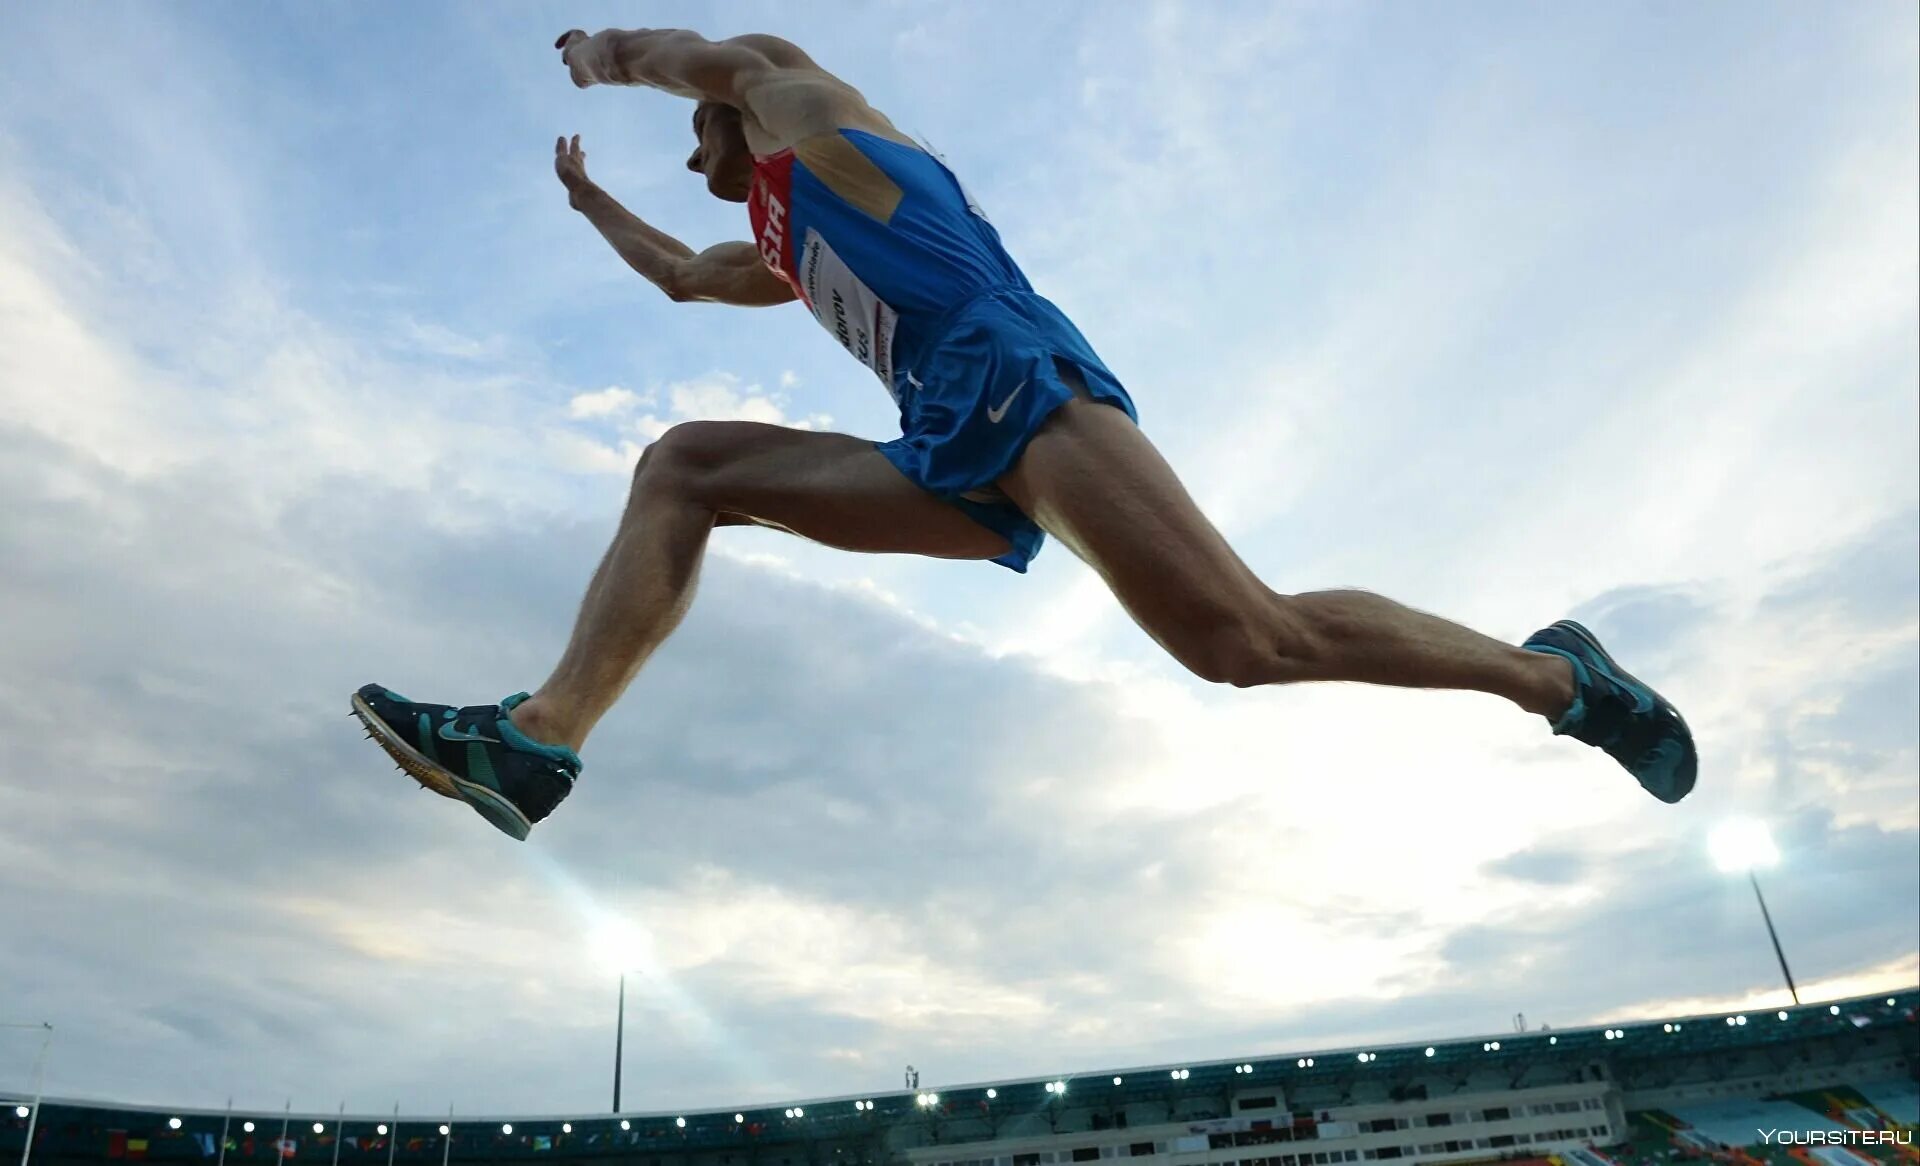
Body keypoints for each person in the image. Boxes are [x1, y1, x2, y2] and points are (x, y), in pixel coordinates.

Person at [350, 26, 1696, 841]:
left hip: (1011, 363)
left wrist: (599, 53)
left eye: (696, 143)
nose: (692, 163)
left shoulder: (802, 118)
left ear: (728, 117)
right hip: (940, 430)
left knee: (1248, 640)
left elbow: (673, 59)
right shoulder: (778, 240)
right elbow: (683, 277)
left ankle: (1563, 681)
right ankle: (540, 737)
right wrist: (589, 206)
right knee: (685, 467)